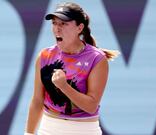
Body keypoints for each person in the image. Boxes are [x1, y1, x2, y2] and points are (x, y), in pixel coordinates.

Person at [24, 2, 119, 135]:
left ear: (79, 28)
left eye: (63, 23)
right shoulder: (44, 55)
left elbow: (91, 106)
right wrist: (28, 133)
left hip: (84, 130)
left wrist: (64, 86)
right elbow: (37, 100)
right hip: (48, 128)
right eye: (54, 23)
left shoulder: (97, 59)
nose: (57, 29)